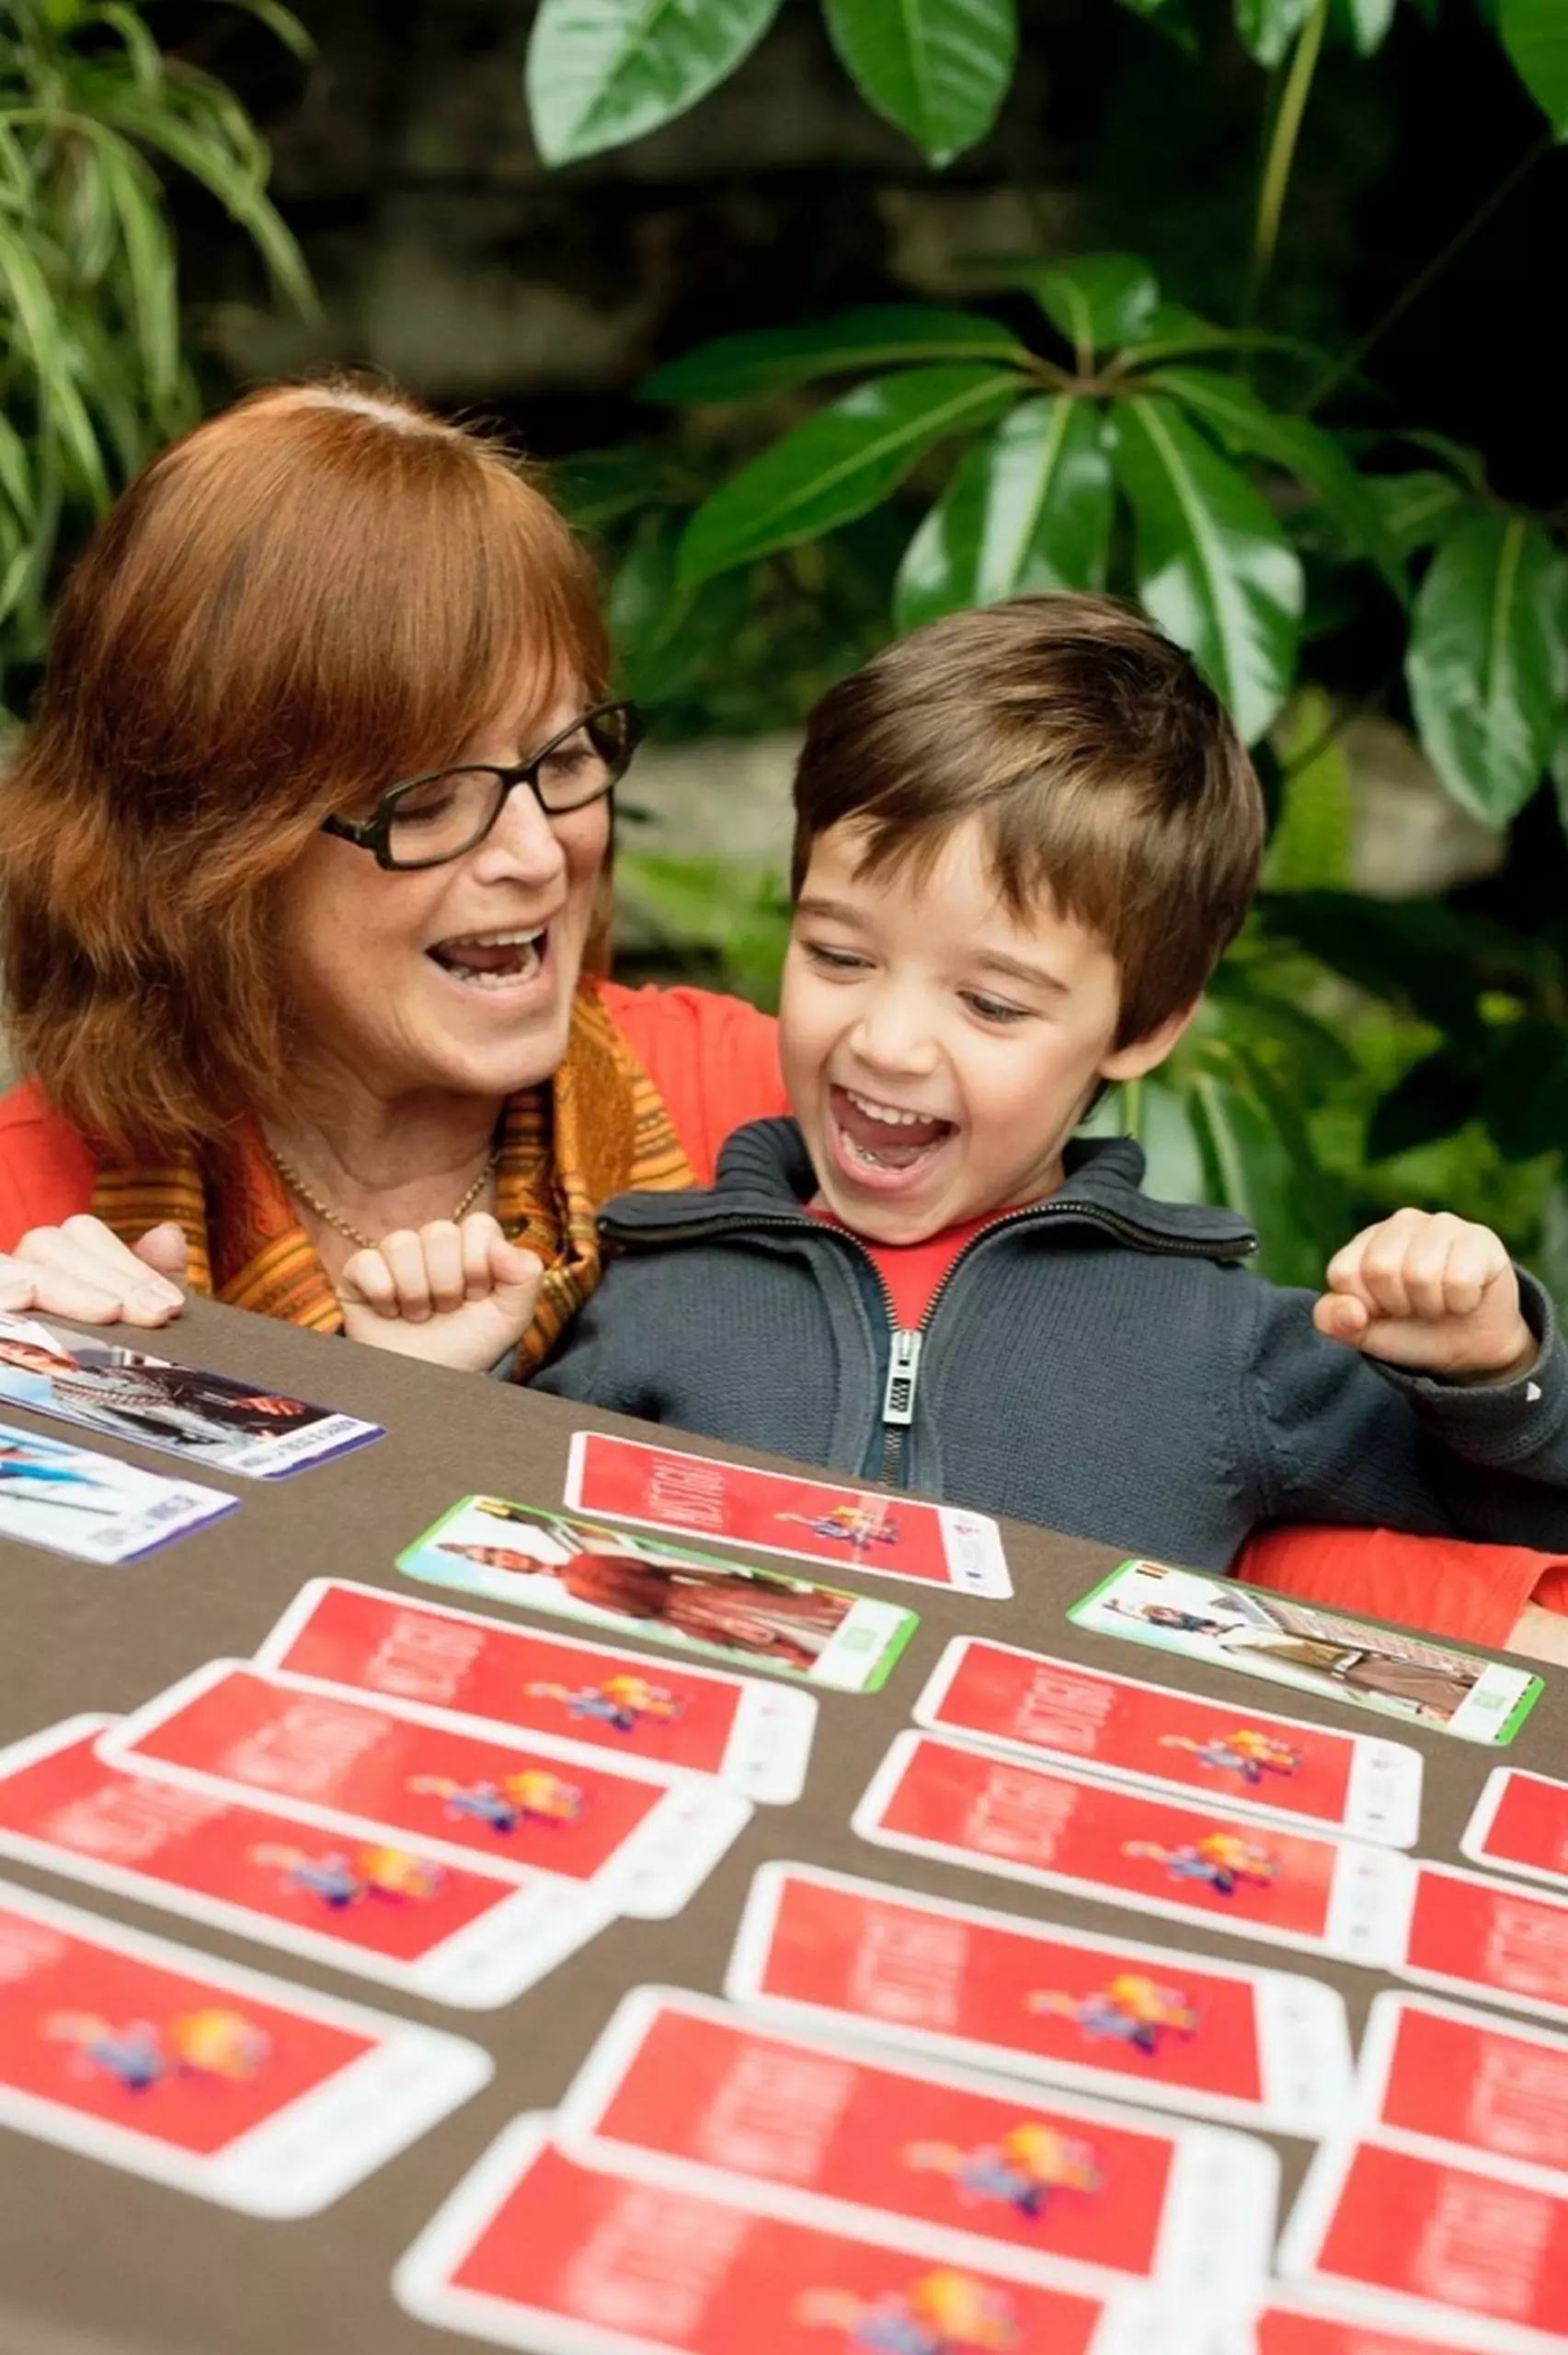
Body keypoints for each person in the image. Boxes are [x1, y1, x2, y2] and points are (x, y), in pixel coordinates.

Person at [361, 595, 1566, 1570]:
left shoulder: (1216, 1345)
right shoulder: (654, 1285)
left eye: (989, 1003)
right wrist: (432, 1391)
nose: (888, 1042)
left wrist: (1493, 1365)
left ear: (1141, 1027)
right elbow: (485, 1579)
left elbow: (1523, 1512)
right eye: (838, 956)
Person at [0, 379, 784, 1369]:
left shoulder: (772, 1108)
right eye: (426, 802)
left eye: (567, 760)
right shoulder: (27, 1219)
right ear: (207, 850)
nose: (539, 854)